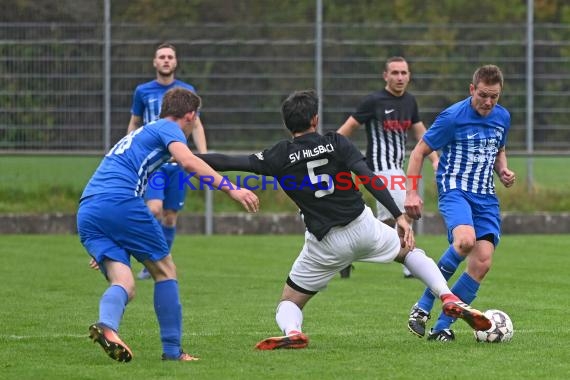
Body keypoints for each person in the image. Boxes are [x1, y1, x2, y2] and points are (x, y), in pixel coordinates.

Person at [195, 89, 491, 350]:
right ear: (315, 119)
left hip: (325, 243)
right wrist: (398, 214)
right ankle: (448, 296)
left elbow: (229, 161)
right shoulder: (335, 142)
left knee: (289, 301)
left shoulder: (278, 155)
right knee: (411, 254)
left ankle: (294, 331)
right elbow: (368, 178)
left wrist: (186, 156)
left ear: (288, 124)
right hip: (363, 227)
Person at [78, 88, 259, 362]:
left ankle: (107, 325)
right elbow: (188, 162)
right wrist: (233, 189)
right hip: (119, 201)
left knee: (124, 282)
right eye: (195, 120)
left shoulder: (143, 132)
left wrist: (109, 234)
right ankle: (173, 352)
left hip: (89, 209)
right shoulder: (168, 128)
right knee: (165, 271)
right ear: (190, 115)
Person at [405, 64, 516, 341]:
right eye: (483, 95)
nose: (488, 102)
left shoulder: (502, 117)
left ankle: (442, 327)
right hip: (455, 190)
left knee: (482, 263)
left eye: (494, 96)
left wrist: (502, 169)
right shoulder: (453, 117)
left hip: (486, 197)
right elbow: (419, 151)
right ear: (472, 89)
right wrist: (411, 193)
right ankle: (422, 307)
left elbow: (498, 149)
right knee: (465, 241)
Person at [337, 56, 438, 279]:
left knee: (384, 221)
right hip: (379, 169)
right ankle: (409, 262)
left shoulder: (410, 101)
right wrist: (330, 150)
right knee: (405, 209)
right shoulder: (373, 101)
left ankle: (346, 254)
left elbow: (422, 133)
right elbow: (349, 127)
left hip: (397, 168)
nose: (400, 77)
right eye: (395, 73)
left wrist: (435, 159)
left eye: (404, 73)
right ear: (385, 76)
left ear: (409, 75)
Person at [126, 42, 208, 280]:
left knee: (170, 216)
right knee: (154, 209)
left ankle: (159, 261)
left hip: (178, 164)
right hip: (155, 164)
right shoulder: (143, 91)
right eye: (161, 56)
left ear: (175, 62)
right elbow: (135, 122)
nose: (165, 60)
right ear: (154, 62)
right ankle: (148, 256)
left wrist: (202, 156)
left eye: (170, 57)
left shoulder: (186, 90)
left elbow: (197, 125)